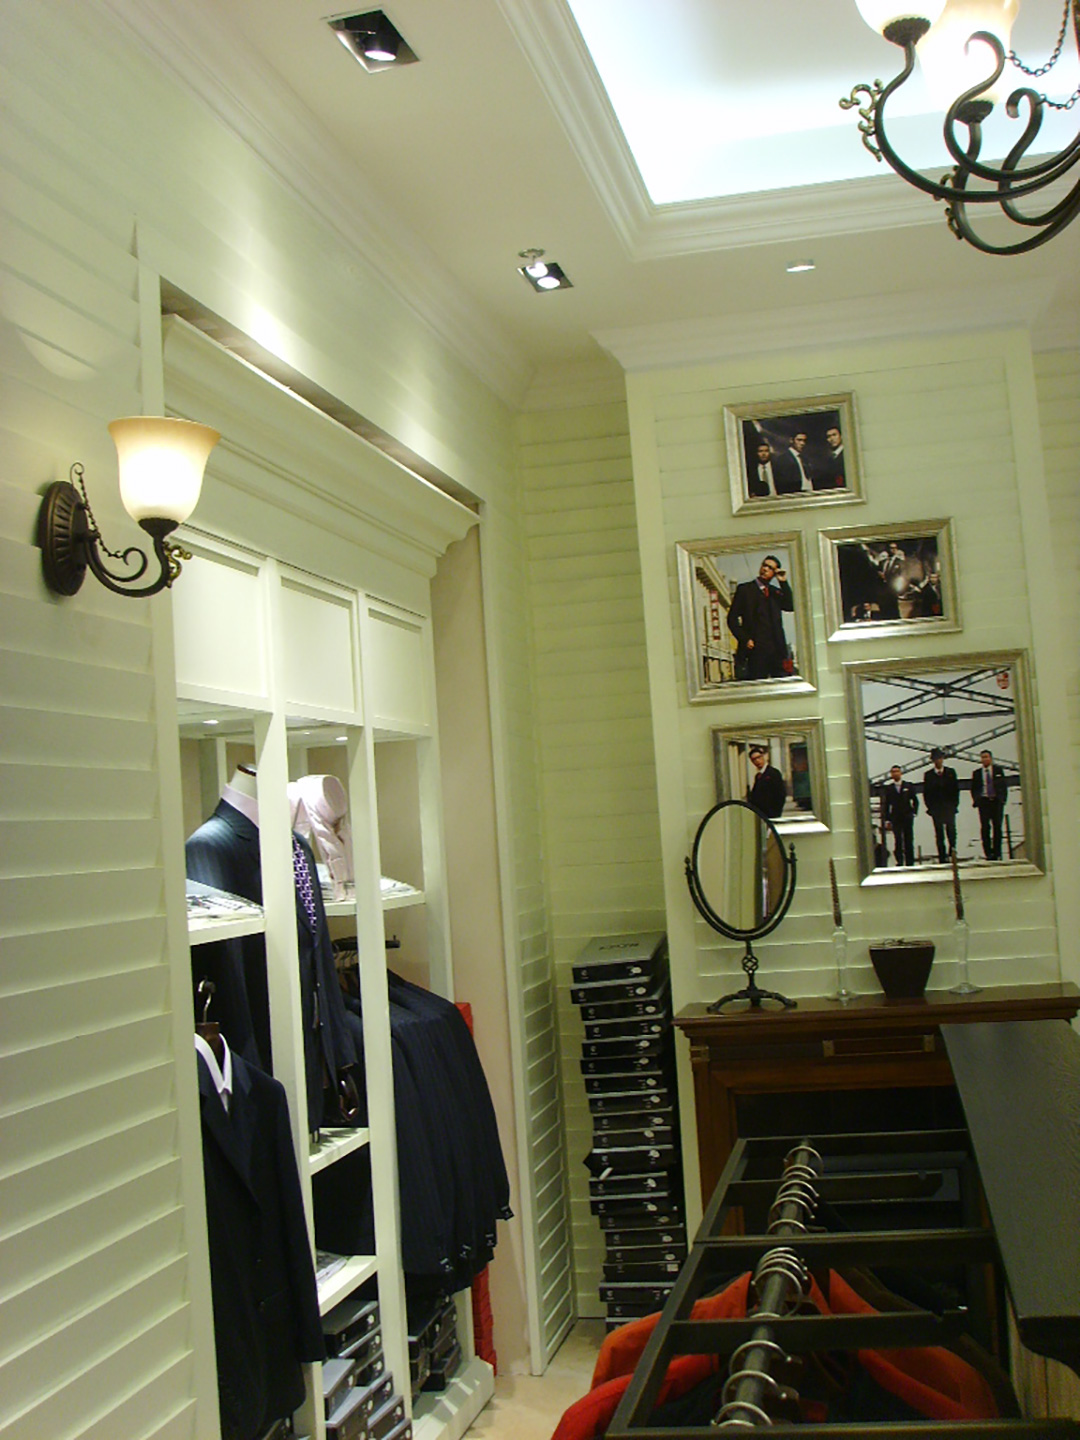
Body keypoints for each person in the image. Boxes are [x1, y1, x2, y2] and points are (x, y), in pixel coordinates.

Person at [725, 555, 795, 681]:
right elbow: (732, 619)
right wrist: (745, 639)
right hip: (755, 650)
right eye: (764, 565)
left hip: (776, 651)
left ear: (775, 573)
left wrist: (783, 582)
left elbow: (790, 606)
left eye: (770, 568)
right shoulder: (745, 590)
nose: (765, 569)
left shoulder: (775, 592)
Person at [922, 747, 959, 863]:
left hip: (949, 807)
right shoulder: (928, 775)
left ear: (943, 759)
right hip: (936, 808)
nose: (938, 761)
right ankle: (942, 856)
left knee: (951, 831)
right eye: (936, 759)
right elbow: (926, 793)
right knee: (939, 833)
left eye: (939, 758)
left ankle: (952, 851)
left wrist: (954, 805)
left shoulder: (950, 772)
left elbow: (955, 790)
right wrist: (930, 807)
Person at [971, 750, 1008, 860]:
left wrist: (1002, 799)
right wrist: (977, 800)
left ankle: (997, 852)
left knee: (997, 827)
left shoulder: (998, 770)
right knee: (985, 827)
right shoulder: (977, 773)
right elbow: (974, 788)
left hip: (996, 801)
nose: (985, 759)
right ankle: (988, 852)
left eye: (986, 757)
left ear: (991, 758)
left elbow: (1003, 786)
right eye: (983, 757)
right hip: (984, 802)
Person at [881, 764, 919, 866]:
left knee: (908, 839)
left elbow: (915, 800)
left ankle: (910, 861)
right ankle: (900, 861)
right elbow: (887, 805)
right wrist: (887, 819)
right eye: (893, 772)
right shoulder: (889, 789)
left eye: (897, 771)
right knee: (898, 839)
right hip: (896, 817)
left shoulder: (908, 786)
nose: (895, 774)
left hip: (907, 816)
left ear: (901, 773)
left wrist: (914, 812)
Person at [746, 744, 786, 818]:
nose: (757, 761)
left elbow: (780, 794)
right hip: (761, 815)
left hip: (771, 814)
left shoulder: (773, 773)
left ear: (763, 757)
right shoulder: (758, 776)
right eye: (754, 759)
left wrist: (775, 812)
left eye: (759, 757)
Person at [814, 423, 846, 489]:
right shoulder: (827, 459)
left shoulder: (847, 454)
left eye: (834, 435)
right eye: (829, 436)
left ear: (841, 436)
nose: (832, 439)